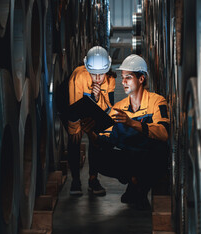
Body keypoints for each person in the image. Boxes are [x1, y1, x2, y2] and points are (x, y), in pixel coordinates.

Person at [81, 54, 169, 209]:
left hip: (148, 158)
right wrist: (90, 133)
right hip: (130, 159)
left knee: (161, 151)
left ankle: (139, 184)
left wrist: (132, 123)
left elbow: (163, 132)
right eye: (122, 78)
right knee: (97, 150)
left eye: (128, 77)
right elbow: (104, 140)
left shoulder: (157, 101)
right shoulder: (118, 108)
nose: (123, 82)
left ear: (141, 79)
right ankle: (134, 180)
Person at [67, 46, 116, 196]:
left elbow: (109, 108)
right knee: (74, 140)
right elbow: (73, 106)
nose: (97, 78)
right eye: (93, 74)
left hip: (93, 110)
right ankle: (75, 180)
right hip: (76, 107)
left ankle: (93, 179)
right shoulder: (78, 77)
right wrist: (75, 128)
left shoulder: (110, 80)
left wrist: (97, 98)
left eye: (101, 74)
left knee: (97, 140)